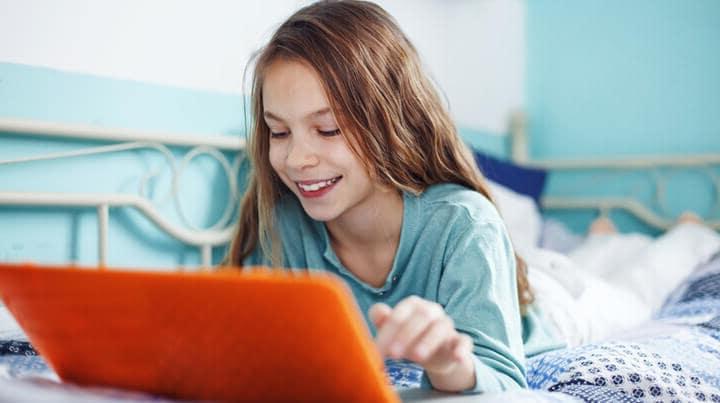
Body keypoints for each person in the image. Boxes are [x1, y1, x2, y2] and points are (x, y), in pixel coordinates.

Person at [224, 0, 562, 394]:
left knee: (594, 289)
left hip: (544, 309)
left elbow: (502, 381)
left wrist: (446, 363)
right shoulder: (284, 228)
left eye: (329, 129)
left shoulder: (465, 225)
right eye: (280, 133)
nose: (298, 158)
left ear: (392, 121)